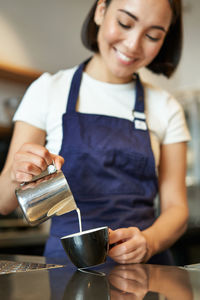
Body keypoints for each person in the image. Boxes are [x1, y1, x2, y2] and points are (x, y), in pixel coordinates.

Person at [0, 0, 190, 265]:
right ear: (101, 10)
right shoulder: (48, 90)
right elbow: (3, 203)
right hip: (65, 270)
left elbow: (177, 209)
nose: (133, 45)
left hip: (146, 271)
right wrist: (15, 173)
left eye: (152, 36)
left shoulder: (165, 107)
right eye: (125, 23)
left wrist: (150, 242)